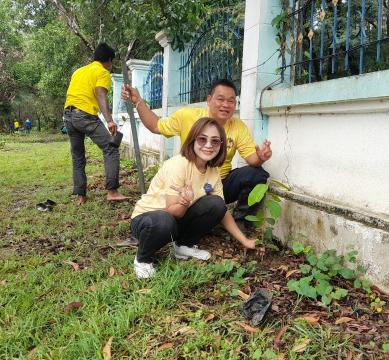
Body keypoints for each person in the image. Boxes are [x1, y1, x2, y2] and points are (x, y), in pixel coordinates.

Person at [122, 79, 272, 230]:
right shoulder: (187, 116)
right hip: (190, 185)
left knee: (256, 174)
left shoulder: (238, 126)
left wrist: (261, 157)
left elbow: (252, 160)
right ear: (209, 100)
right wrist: (139, 102)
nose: (225, 105)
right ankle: (184, 225)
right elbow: (155, 125)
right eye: (220, 99)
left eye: (231, 101)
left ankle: (240, 223)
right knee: (178, 207)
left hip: (218, 184)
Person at [131, 117, 256, 279]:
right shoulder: (179, 165)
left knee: (216, 204)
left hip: (175, 218)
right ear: (192, 140)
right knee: (164, 220)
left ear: (221, 145)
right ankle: (142, 259)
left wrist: (244, 240)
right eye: (202, 139)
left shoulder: (213, 172)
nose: (208, 145)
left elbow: (222, 211)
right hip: (148, 220)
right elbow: (172, 212)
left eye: (215, 141)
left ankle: (183, 245)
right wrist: (184, 202)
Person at [63, 43, 127, 204]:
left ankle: (81, 196)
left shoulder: (79, 71)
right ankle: (112, 192)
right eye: (111, 63)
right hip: (84, 115)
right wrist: (110, 120)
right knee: (111, 148)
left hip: (68, 116)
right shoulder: (102, 72)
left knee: (78, 157)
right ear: (109, 60)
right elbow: (100, 95)